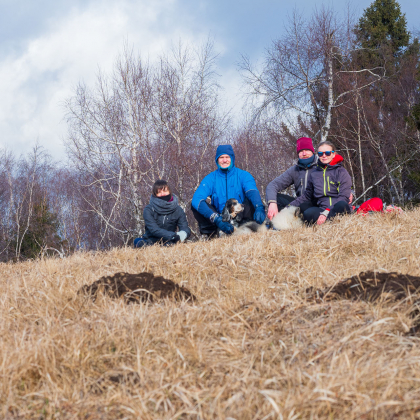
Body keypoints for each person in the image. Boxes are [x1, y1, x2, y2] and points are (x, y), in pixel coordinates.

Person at [191, 145, 266, 237]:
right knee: (196, 205)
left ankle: (248, 228)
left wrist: (259, 207)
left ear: (232, 158)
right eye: (221, 157)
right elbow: (196, 199)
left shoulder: (243, 175)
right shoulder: (210, 178)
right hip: (219, 218)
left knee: (252, 199)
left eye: (227, 157)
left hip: (240, 216)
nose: (224, 160)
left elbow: (252, 191)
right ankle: (210, 233)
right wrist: (216, 218)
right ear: (217, 160)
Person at [288, 141, 352, 225]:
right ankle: (328, 222)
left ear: (333, 154)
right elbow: (307, 196)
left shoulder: (341, 172)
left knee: (341, 204)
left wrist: (327, 211)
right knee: (308, 213)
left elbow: (344, 196)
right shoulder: (314, 173)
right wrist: (288, 207)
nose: (324, 156)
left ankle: (334, 220)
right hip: (322, 209)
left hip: (337, 208)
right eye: (321, 153)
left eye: (328, 153)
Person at [266, 137, 318, 221]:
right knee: (276, 198)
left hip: (316, 204)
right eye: (301, 151)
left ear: (313, 151)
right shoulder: (294, 170)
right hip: (299, 204)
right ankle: (279, 223)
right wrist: (272, 203)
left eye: (307, 150)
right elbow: (272, 185)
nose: (304, 153)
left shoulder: (321, 166)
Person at [134, 180, 191, 248]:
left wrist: (181, 235)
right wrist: (173, 236)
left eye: (165, 191)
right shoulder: (149, 209)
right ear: (155, 194)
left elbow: (185, 228)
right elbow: (154, 230)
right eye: (159, 192)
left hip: (169, 240)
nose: (163, 194)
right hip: (150, 240)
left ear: (170, 192)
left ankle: (167, 246)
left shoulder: (178, 210)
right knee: (137, 241)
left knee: (175, 244)